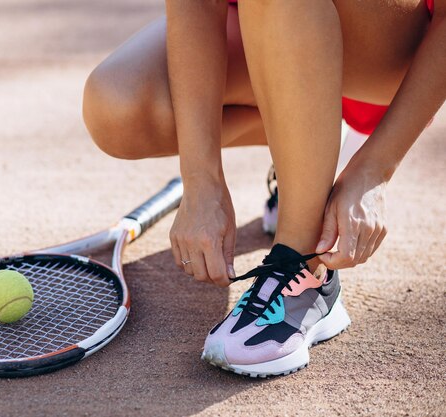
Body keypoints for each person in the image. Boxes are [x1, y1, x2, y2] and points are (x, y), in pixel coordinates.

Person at [82, 1, 445, 377]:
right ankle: (306, 159)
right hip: (273, 21)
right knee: (118, 104)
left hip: (392, 42)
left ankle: (306, 271)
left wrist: (375, 169)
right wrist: (200, 178)